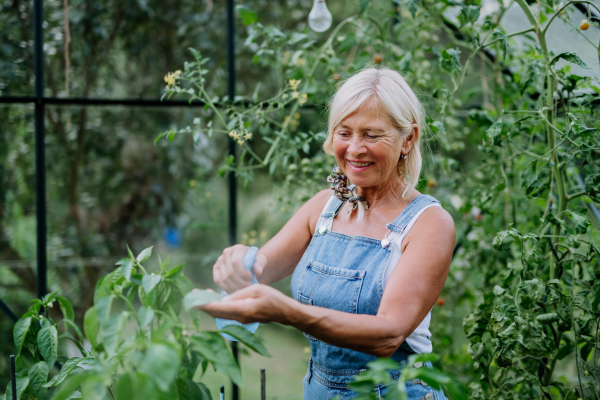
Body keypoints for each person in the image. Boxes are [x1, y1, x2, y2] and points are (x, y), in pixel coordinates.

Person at [201, 67, 455, 400]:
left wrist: (287, 313)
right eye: (344, 132)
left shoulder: (427, 223)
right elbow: (259, 268)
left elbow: (388, 335)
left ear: (408, 138)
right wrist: (237, 263)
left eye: (372, 135)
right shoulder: (325, 207)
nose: (354, 148)